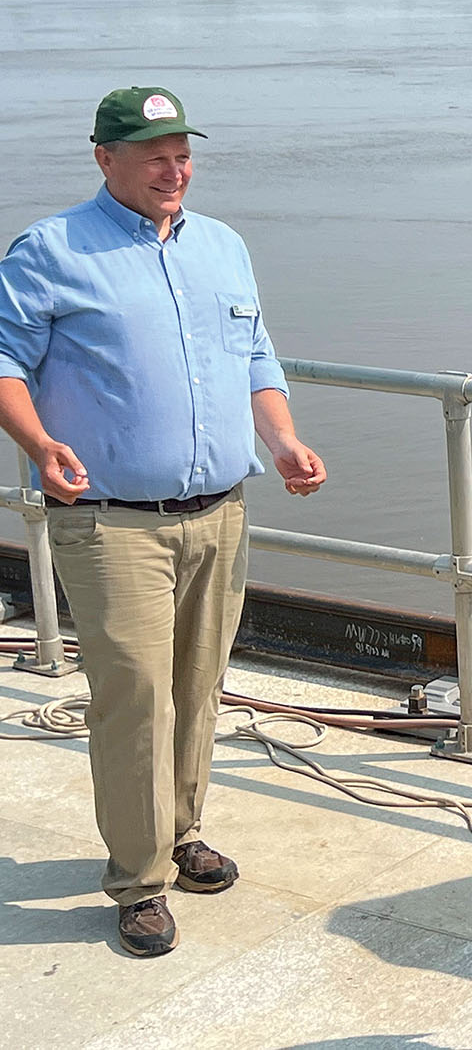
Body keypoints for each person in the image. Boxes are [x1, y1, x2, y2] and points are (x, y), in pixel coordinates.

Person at [0, 87, 325, 958]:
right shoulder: (51, 250)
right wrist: (38, 443)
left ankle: (181, 833)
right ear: (104, 157)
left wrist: (283, 439)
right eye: (152, 154)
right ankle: (137, 879)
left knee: (195, 689)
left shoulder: (222, 246)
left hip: (220, 512)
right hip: (111, 523)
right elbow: (4, 362)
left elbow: (255, 352)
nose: (172, 169)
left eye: (182, 153)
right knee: (134, 699)